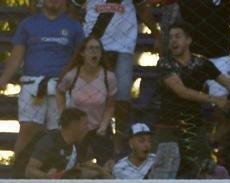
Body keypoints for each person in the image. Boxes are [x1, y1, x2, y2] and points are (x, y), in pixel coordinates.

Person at [155, 23, 230, 177]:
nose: (173, 41)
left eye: (178, 36)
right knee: (163, 173)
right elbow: (181, 91)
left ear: (188, 40)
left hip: (194, 126)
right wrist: (215, 99)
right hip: (168, 126)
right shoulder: (165, 63)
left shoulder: (202, 63)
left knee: (205, 170)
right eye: (170, 37)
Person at [0, 0, 84, 159]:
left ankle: (55, 176)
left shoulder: (74, 27)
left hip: (60, 87)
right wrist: (4, 79)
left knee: (59, 133)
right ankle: (18, 176)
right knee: (27, 130)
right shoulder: (28, 24)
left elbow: (79, 59)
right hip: (32, 85)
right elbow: (17, 56)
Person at [78, 0, 150, 140]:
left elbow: (142, 8)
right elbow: (73, 9)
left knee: (123, 96)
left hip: (123, 46)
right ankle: (94, 135)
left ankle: (120, 136)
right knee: (93, 96)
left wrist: (157, 34)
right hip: (94, 46)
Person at [56, 36, 117, 167]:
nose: (94, 52)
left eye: (98, 49)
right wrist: (63, 113)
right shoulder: (72, 76)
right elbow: (59, 91)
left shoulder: (108, 77)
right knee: (75, 166)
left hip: (99, 127)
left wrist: (103, 126)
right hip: (76, 129)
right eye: (90, 49)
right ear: (82, 53)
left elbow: (110, 105)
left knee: (108, 165)